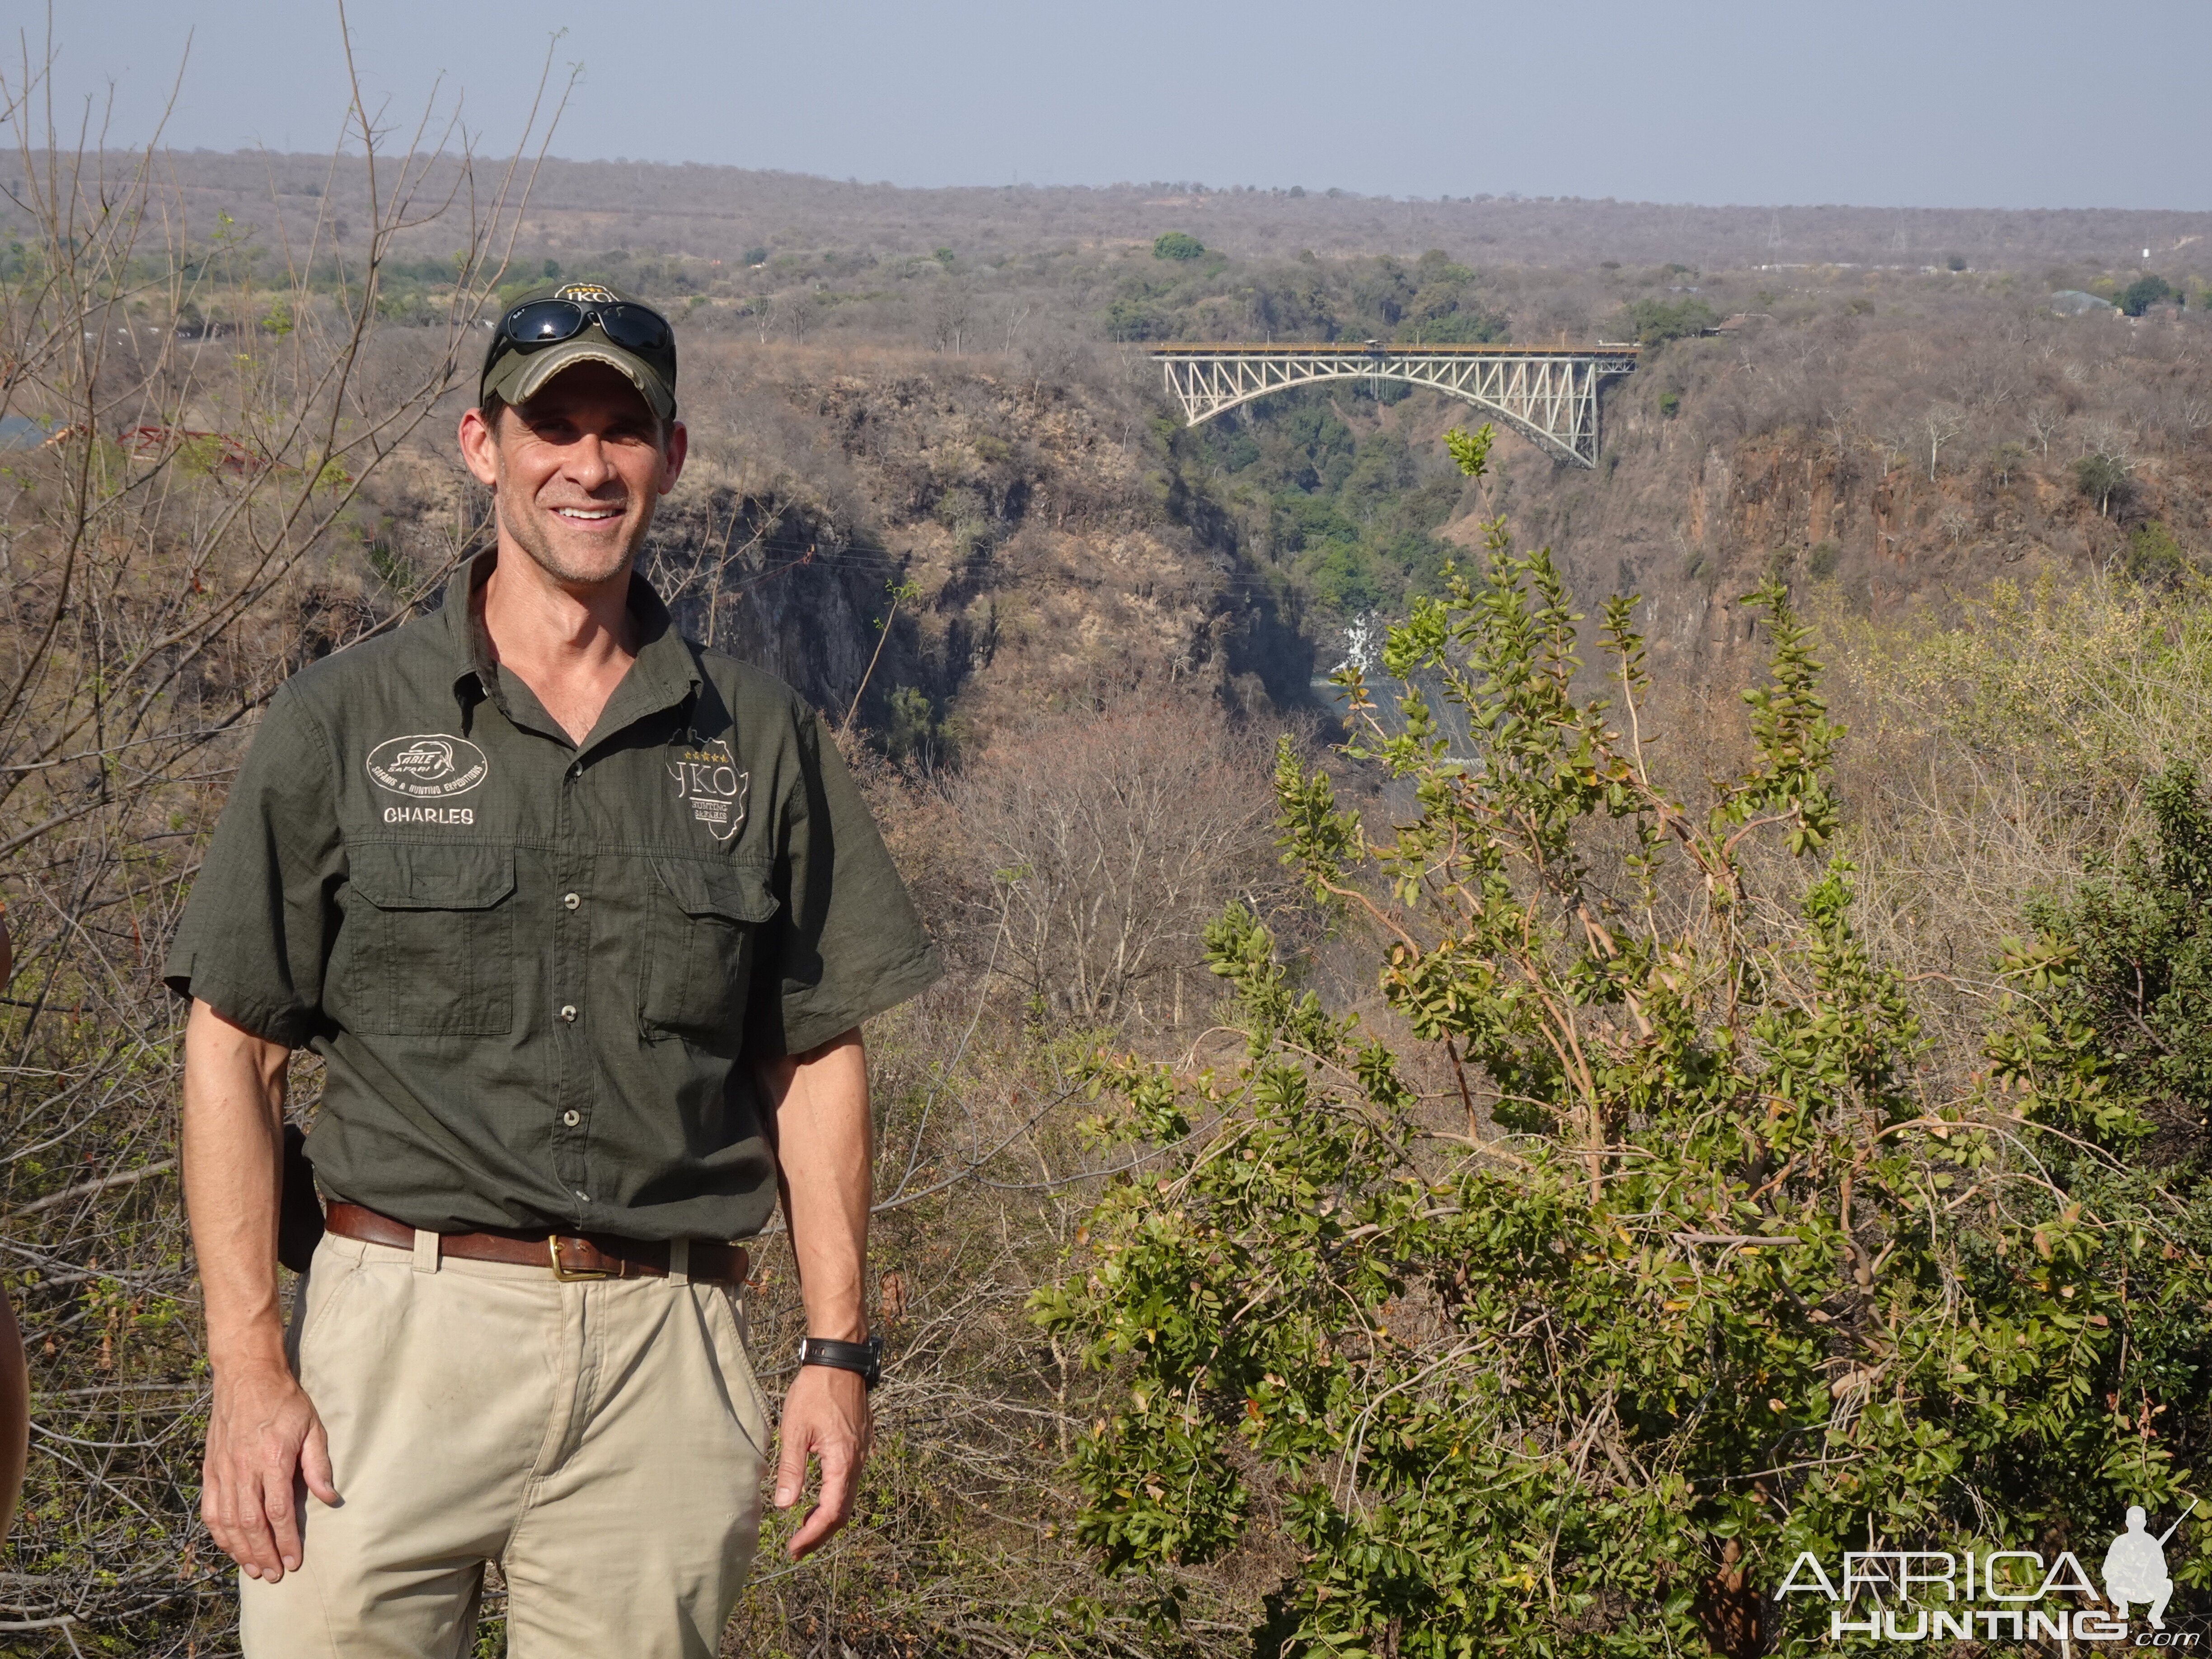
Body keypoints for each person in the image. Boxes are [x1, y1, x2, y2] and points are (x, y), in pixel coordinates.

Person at [165, 280, 940, 1658]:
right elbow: (235, 1046)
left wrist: (836, 1351)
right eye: (554, 426)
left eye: (623, 431)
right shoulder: (342, 721)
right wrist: (247, 1368)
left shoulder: (759, 741)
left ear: (674, 458)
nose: (589, 464)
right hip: (391, 1342)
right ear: (484, 445)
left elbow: (813, 1053)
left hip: (666, 1348)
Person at [2103, 1505, 2175, 1628]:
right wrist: (2126, 1578)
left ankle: (2155, 1616)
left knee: (2167, 1584)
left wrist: (2149, 1572)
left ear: (2144, 1523)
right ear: (2127, 1523)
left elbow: (2163, 1571)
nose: (2136, 1523)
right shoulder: (2120, 1542)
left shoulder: (2151, 1543)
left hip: (2144, 1589)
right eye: (2133, 1520)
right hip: (2123, 1589)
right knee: (2111, 1586)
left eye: (2139, 1520)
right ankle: (2123, 1608)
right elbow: (2108, 1571)